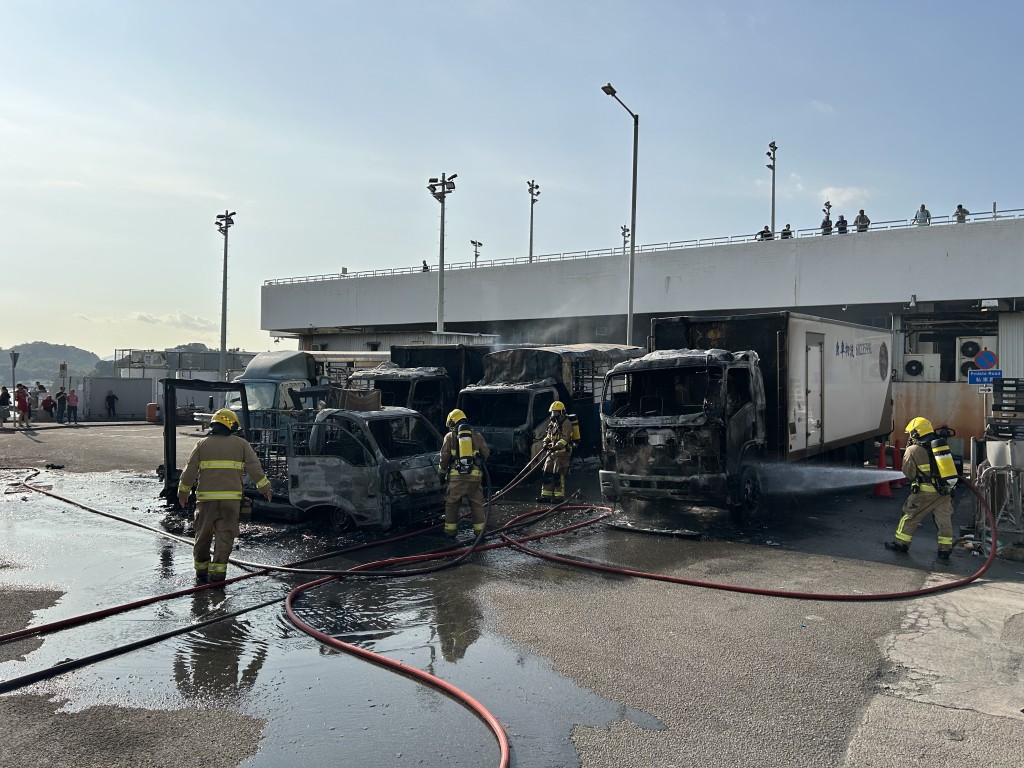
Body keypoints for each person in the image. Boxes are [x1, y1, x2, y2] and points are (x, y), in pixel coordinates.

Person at [177, 409, 273, 583]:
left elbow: (189, 471)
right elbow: (254, 468)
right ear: (232, 426)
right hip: (231, 502)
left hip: (206, 502)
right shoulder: (241, 444)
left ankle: (201, 574)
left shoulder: (202, 444)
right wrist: (265, 488)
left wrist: (182, 493)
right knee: (225, 539)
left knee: (202, 537)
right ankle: (218, 577)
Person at [885, 417, 955, 560]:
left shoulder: (913, 450)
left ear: (916, 433)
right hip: (944, 491)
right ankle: (945, 550)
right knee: (944, 521)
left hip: (924, 492)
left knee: (910, 516)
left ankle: (901, 544)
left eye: (911, 433)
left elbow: (909, 474)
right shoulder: (940, 446)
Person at [437, 408, 490, 538]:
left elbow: (444, 458)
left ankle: (450, 533)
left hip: (457, 479)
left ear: (452, 422)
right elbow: (486, 453)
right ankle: (480, 533)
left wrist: (441, 475)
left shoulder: (449, 437)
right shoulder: (476, 435)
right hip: (475, 478)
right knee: (477, 504)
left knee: (452, 504)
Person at [538, 401, 575, 503]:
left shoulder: (566, 423)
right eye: (553, 412)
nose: (554, 415)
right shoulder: (553, 424)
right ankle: (546, 495)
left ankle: (559, 497)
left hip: (562, 453)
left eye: (556, 412)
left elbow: (565, 439)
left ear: (562, 412)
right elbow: (548, 436)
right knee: (547, 472)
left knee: (558, 473)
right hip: (551, 453)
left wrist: (556, 446)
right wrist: (545, 443)